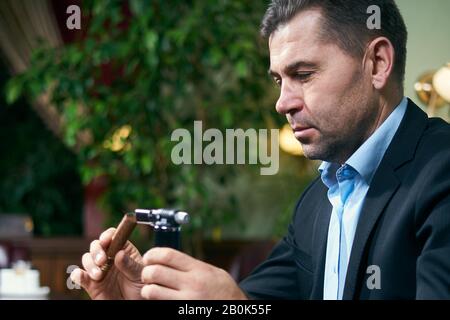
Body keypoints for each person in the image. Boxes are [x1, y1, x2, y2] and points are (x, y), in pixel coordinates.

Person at [71, 0, 450, 300]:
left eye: (303, 75)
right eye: (278, 79)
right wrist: (149, 296)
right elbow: (250, 301)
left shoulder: (442, 170)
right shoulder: (317, 201)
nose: (282, 103)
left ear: (378, 63)